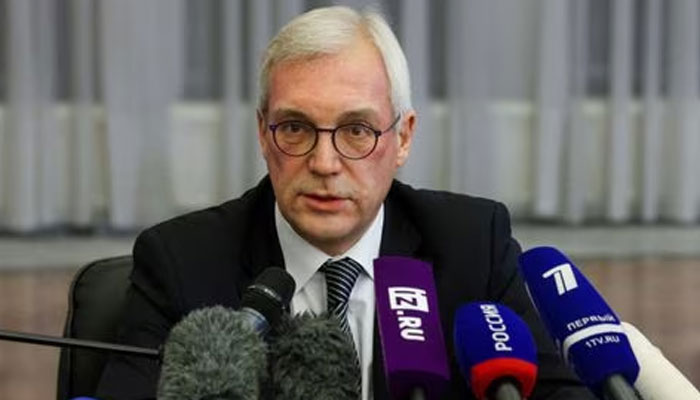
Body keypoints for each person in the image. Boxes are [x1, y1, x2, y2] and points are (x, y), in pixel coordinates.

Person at [97, 6, 596, 399]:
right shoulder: (181, 261)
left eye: (356, 130)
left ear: (403, 137)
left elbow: (553, 393)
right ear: (262, 133)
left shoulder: (472, 246)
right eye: (295, 128)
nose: (325, 162)